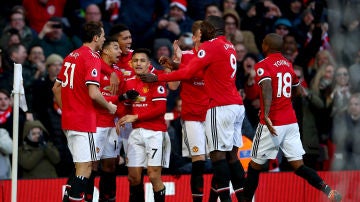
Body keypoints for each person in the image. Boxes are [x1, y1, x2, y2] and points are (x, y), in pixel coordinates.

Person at [141, 16, 246, 202]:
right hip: (217, 110)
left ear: (208, 31)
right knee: (226, 158)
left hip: (217, 108)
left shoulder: (209, 48)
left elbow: (190, 71)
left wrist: (157, 77)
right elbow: (191, 70)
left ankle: (222, 199)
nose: (198, 37)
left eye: (202, 31)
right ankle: (243, 198)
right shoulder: (228, 46)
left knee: (218, 157)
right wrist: (173, 64)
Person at [240, 33, 342, 202]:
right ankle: (327, 189)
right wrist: (285, 101)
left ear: (267, 46)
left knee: (254, 166)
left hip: (272, 122)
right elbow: (297, 89)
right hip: (290, 122)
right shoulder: (288, 65)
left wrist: (265, 113)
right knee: (299, 166)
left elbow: (266, 86)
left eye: (263, 42)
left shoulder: (262, 65)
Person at [52, 21, 117, 201]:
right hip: (83, 122)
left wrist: (67, 110)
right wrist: (109, 106)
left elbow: (56, 88)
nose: (104, 39)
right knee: (86, 168)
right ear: (96, 37)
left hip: (69, 120)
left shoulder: (70, 56)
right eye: (103, 35)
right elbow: (94, 93)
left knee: (80, 166)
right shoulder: (92, 58)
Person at [84, 37, 138, 202]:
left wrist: (125, 100)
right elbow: (90, 96)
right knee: (90, 165)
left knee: (110, 164)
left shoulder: (118, 74)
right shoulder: (94, 67)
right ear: (105, 50)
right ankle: (85, 197)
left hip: (111, 124)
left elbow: (118, 100)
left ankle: (108, 198)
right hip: (94, 123)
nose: (120, 51)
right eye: (116, 48)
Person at [163, 20, 209, 202]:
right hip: (192, 117)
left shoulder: (215, 56)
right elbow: (173, 86)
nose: (204, 37)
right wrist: (175, 60)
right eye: (201, 33)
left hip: (213, 114)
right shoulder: (186, 56)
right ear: (195, 36)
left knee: (220, 161)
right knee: (199, 163)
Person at [116, 48, 170, 202]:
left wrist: (136, 116)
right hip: (136, 133)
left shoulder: (156, 80)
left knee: (153, 176)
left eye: (142, 60)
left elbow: (161, 109)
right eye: (135, 60)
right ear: (131, 63)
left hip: (154, 133)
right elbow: (124, 108)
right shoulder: (128, 82)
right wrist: (123, 103)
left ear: (149, 64)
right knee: (133, 178)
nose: (138, 63)